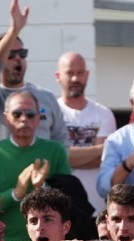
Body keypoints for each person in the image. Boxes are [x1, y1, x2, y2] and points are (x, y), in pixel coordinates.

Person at [0, 90, 71, 241]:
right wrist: (16, 193)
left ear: (39, 118)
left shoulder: (56, 151)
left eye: (30, 114)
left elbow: (68, 202)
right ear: (6, 118)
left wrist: (42, 187)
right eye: (17, 114)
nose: (24, 119)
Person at [0, 0, 66, 151]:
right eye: (11, 54)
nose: (18, 58)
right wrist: (14, 30)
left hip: (40, 173)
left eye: (22, 53)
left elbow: (61, 146)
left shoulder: (47, 98)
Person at [54, 52, 116, 212]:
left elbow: (102, 161)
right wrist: (99, 149)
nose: (75, 78)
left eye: (80, 72)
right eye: (69, 73)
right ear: (58, 76)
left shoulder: (104, 114)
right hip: (60, 209)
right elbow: (55, 157)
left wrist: (67, 157)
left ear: (87, 75)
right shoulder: (52, 112)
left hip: (97, 208)